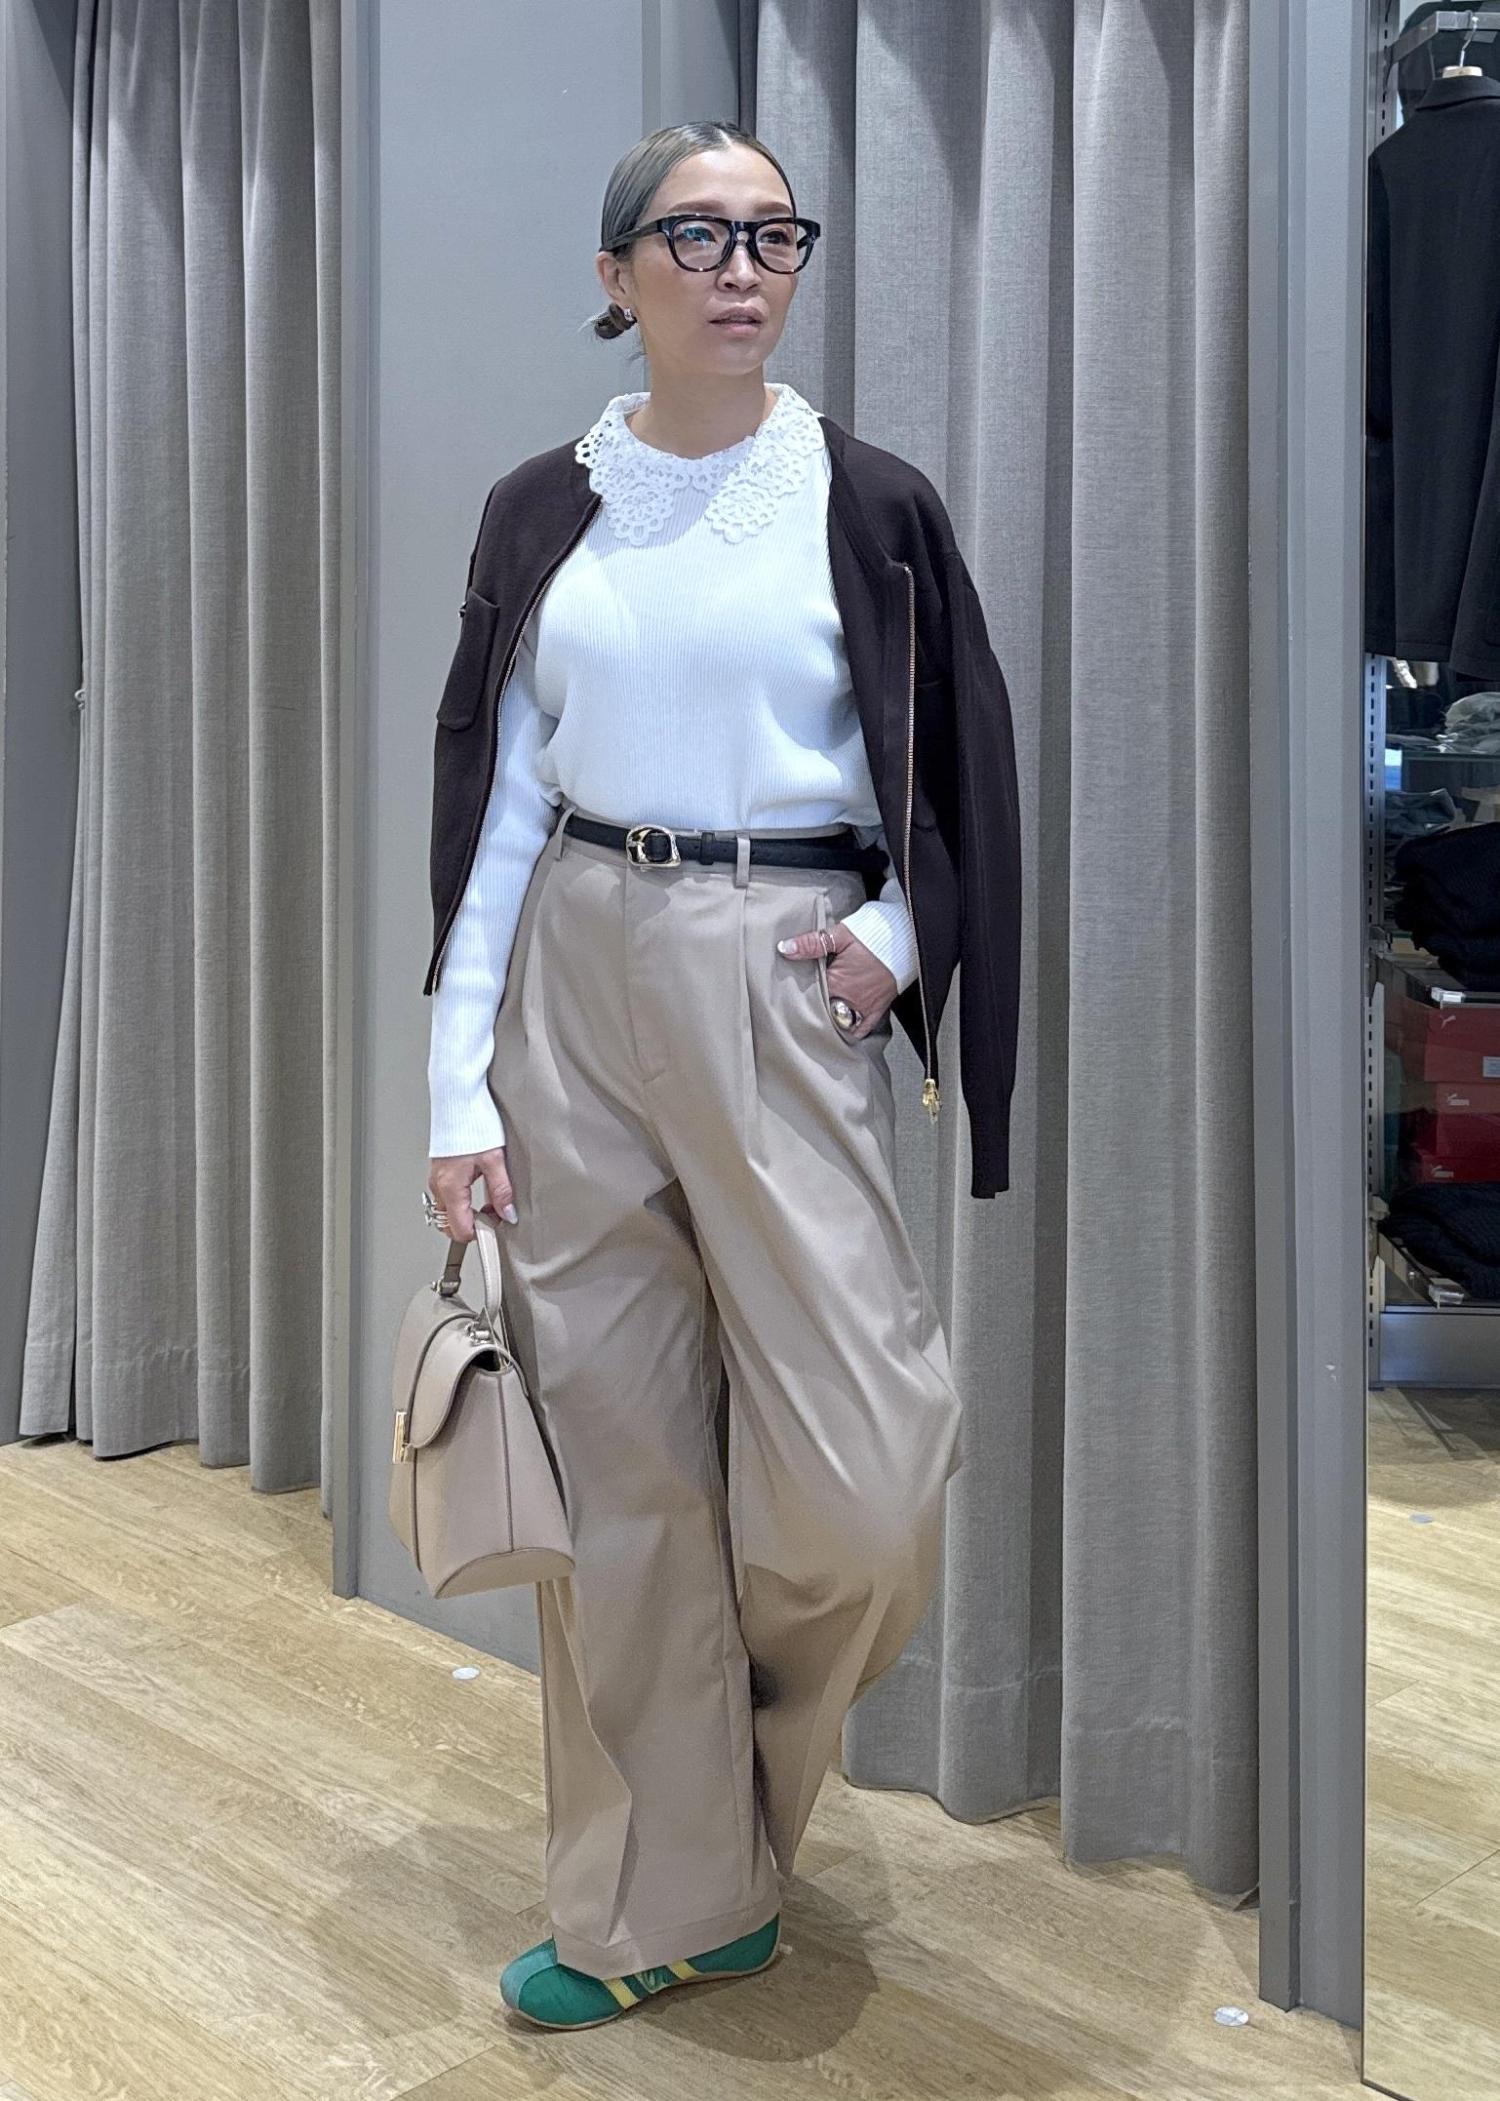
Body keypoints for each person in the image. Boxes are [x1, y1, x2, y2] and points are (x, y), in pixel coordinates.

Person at [424, 119, 1012, 2032]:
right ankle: (658, 1904)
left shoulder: (869, 502)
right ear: (617, 277)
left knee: (866, 1475)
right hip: (572, 965)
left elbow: (957, 770)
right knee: (613, 1473)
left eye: (774, 233)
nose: (744, 266)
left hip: (776, 969)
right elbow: (500, 801)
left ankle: (728, 1802)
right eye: (696, 235)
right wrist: (455, 1085)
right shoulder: (543, 508)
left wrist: (898, 936)